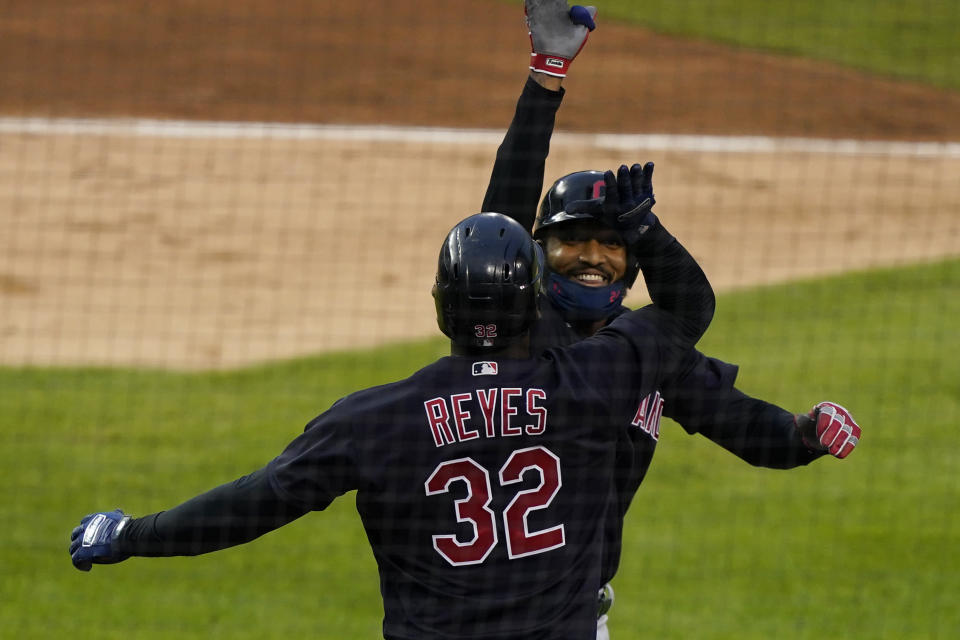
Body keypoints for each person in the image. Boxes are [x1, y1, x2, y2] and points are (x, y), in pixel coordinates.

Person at [70, 202, 719, 639]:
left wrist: (132, 534)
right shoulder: (590, 384)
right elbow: (690, 307)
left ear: (442, 306)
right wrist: (644, 229)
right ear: (534, 302)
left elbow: (253, 504)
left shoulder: (373, 420)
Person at [488, 2, 863, 637]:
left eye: (611, 244)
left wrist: (802, 435)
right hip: (479, 613)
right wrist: (547, 75)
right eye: (572, 240)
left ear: (632, 264)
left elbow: (738, 420)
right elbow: (499, 219)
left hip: (579, 619)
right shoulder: (510, 326)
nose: (592, 257)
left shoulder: (645, 348)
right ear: (538, 253)